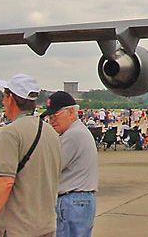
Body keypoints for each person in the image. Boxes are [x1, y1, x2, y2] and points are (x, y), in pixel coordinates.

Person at [0, 73, 61, 237]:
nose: (2, 101)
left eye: (4, 96)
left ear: (11, 99)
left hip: (19, 228)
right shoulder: (50, 132)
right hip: (46, 226)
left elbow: (5, 182)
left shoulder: (11, 132)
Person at [43, 91, 98, 237]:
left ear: (71, 112)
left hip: (72, 201)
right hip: (79, 201)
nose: (51, 121)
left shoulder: (72, 135)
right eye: (50, 117)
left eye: (55, 116)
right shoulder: (78, 132)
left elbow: (51, 167)